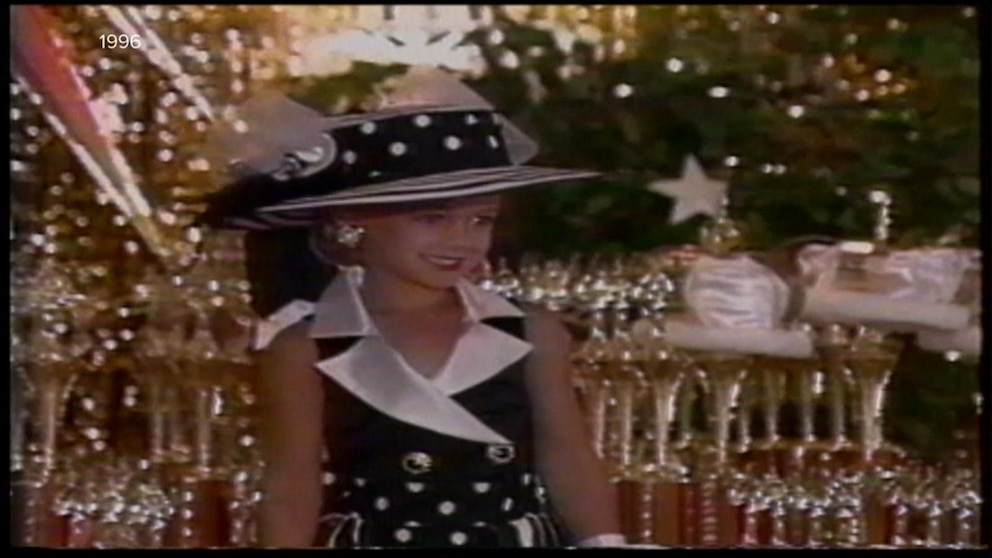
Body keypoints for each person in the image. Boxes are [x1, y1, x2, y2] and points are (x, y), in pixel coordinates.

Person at [198, 68, 624, 548]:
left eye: (481, 220)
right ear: (353, 220)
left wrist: (604, 543)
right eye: (432, 218)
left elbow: (568, 458)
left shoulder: (531, 332)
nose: (460, 240)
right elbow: (291, 488)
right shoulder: (305, 347)